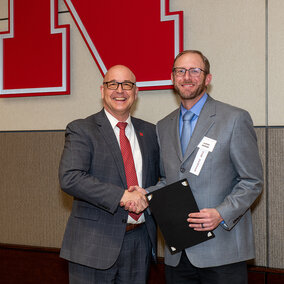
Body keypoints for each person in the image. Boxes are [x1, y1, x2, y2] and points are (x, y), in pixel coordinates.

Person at [145, 50, 263, 283]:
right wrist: (143, 194)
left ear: (207, 78)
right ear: (172, 78)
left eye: (194, 70)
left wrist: (221, 213)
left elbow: (252, 181)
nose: (187, 76)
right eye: (181, 71)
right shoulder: (162, 126)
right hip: (178, 254)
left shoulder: (234, 119)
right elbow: (166, 179)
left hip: (222, 251)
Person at [59, 65, 160, 284]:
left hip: (139, 242)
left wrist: (148, 193)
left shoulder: (151, 132)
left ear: (136, 92)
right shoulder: (82, 129)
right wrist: (122, 196)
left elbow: (163, 179)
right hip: (93, 245)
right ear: (102, 90)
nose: (120, 90)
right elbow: (71, 177)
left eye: (127, 85)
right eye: (112, 84)